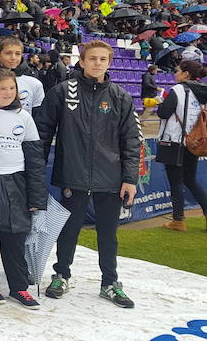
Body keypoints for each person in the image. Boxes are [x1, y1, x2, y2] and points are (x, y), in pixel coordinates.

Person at [35, 40, 140, 308]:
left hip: (111, 179)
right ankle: (61, 275)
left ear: (109, 62)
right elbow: (43, 133)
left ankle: (110, 282)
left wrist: (130, 178)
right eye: (92, 58)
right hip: (73, 175)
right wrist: (35, 172)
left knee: (108, 234)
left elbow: (131, 141)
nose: (97, 63)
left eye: (102, 59)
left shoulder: (120, 96)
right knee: (68, 231)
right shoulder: (62, 92)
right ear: (81, 61)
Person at [0, 69, 47, 309]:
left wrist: (36, 196)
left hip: (16, 183)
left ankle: (19, 287)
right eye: (2, 88)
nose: (7, 93)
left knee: (15, 237)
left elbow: (35, 159)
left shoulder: (23, 116)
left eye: (12, 88)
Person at [155, 60, 207, 232]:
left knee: (175, 180)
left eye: (177, 71)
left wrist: (159, 103)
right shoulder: (202, 92)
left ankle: (178, 220)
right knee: (190, 180)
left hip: (174, 140)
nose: (175, 73)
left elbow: (164, 113)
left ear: (186, 74)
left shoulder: (177, 90)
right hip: (194, 141)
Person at [0, 37, 45, 115]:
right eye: (8, 53)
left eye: (17, 54)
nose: (13, 58)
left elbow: (38, 115)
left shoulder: (34, 84)